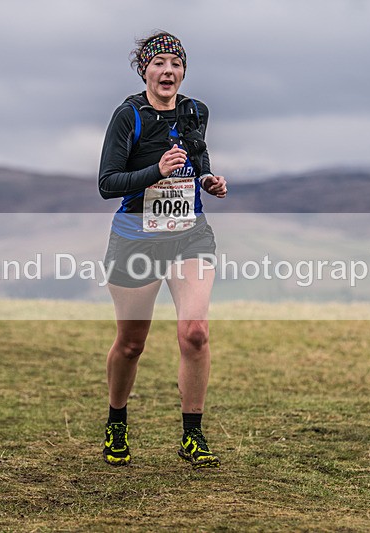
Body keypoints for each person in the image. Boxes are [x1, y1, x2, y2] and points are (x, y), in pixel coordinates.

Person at [97, 31, 227, 468]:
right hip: (137, 237)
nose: (167, 71)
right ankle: (117, 422)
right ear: (144, 70)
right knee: (132, 344)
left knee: (195, 332)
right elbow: (107, 183)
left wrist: (207, 179)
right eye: (159, 64)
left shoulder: (195, 111)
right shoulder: (128, 115)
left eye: (175, 63)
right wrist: (155, 171)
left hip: (190, 233)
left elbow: (198, 156)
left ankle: (192, 434)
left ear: (183, 71)